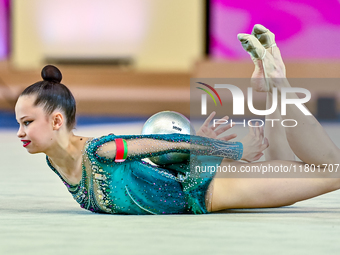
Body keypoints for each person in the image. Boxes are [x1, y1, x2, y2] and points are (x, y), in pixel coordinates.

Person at [15, 24, 340, 215]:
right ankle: (272, 88)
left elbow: (170, 141)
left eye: (27, 122)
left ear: (57, 121)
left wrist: (233, 149)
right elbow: (158, 160)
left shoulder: (100, 150)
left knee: (333, 171)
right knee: (281, 161)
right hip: (200, 178)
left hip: (212, 188)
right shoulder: (55, 163)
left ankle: (280, 86)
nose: (21, 132)